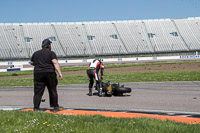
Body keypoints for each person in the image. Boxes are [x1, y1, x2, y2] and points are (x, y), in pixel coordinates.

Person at [31, 38, 63, 112]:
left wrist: (39, 64)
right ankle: (55, 107)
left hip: (38, 73)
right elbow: (55, 63)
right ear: (48, 46)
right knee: (52, 90)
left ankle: (36, 107)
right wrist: (59, 73)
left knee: (38, 91)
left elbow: (32, 62)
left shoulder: (36, 53)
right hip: (49, 73)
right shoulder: (51, 53)